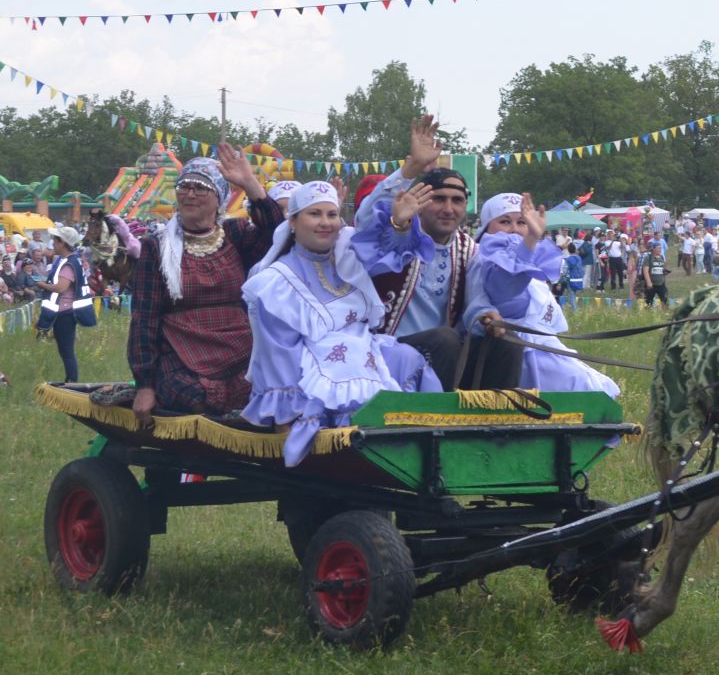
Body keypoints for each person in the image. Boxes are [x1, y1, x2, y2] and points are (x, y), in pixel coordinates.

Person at [241, 182, 439, 466]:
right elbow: (277, 353)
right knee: (348, 371)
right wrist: (284, 418)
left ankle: (422, 453)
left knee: (408, 358)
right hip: (310, 368)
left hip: (364, 348)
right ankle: (359, 458)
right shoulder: (275, 281)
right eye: (315, 214)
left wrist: (399, 222)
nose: (325, 223)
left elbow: (390, 250)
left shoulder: (347, 256)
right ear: (293, 222)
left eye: (332, 215)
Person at [355, 115, 521, 391]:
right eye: (439, 199)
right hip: (391, 351)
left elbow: (477, 300)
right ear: (421, 201)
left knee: (508, 338)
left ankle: (501, 426)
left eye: (457, 201)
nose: (448, 208)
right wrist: (411, 169)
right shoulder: (399, 236)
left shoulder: (469, 250)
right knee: (445, 339)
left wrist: (487, 317)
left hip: (447, 354)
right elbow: (364, 220)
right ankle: (437, 426)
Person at [125, 148, 282, 422]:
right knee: (194, 397)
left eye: (201, 187)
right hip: (182, 352)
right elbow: (144, 318)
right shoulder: (156, 246)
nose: (190, 193)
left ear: (219, 198)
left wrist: (249, 183)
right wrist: (145, 386)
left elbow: (276, 234)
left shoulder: (235, 234)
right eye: (184, 186)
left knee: (271, 390)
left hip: (240, 346)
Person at [463, 193, 620, 396]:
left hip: (543, 350)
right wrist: (529, 241)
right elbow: (505, 287)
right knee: (585, 391)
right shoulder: (486, 261)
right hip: (523, 357)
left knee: (598, 390)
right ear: (486, 228)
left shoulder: (527, 259)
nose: (515, 229)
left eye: (522, 222)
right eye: (504, 221)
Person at [36, 225, 92, 383]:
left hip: (65, 314)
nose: (52, 243)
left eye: (55, 240)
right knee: (65, 350)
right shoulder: (70, 260)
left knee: (67, 351)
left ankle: (72, 383)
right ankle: (71, 380)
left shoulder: (68, 264)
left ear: (63, 243)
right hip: (65, 312)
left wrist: (43, 285)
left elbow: (61, 287)